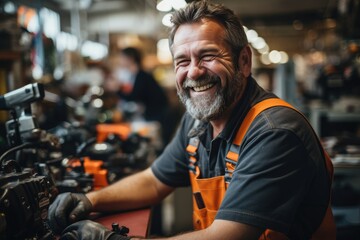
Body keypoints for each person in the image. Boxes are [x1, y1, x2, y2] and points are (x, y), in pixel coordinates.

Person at [48, 1, 336, 239]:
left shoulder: (275, 131)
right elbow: (154, 181)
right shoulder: (197, 122)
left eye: (208, 56)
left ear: (244, 62)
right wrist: (88, 200)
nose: (194, 72)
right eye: (182, 61)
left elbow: (227, 236)